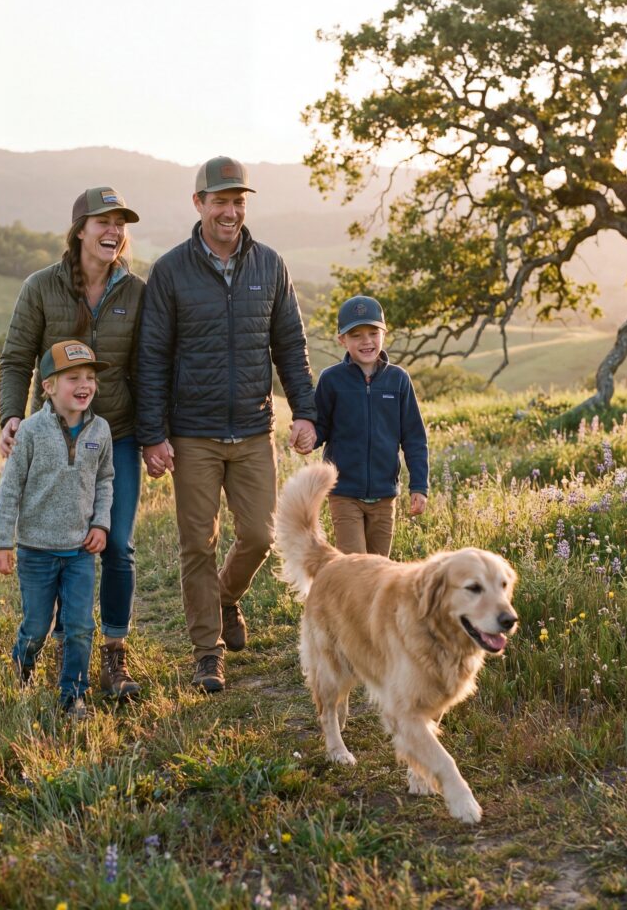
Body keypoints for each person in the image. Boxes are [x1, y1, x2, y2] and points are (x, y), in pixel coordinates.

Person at [137, 156, 317, 694]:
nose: (231, 211)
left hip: (254, 428)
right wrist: (153, 434)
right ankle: (206, 653)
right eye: (221, 201)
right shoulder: (170, 272)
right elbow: (152, 357)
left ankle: (225, 598)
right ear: (199, 205)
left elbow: (290, 346)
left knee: (261, 536)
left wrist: (304, 410)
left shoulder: (270, 266)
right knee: (198, 544)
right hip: (192, 431)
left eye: (239, 201)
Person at [0, 186, 145, 700]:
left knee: (118, 543)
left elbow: (147, 368)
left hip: (118, 436)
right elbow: (16, 358)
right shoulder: (41, 287)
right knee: (61, 540)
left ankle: (115, 655)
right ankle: (64, 643)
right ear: (80, 229)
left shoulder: (135, 291)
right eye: (103, 221)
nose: (113, 231)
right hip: (56, 437)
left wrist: (153, 436)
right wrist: (11, 417)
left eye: (120, 223)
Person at [0, 340, 115, 719]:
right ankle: (21, 665)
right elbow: (10, 488)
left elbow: (106, 480)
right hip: (36, 551)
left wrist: (101, 524)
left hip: (80, 550)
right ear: (47, 386)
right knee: (36, 627)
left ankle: (72, 696)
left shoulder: (101, 430)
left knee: (79, 626)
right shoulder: (30, 432)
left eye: (90, 378)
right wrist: (2, 542)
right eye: (73, 377)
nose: (84, 385)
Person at [313, 295, 428, 556]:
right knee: (355, 566)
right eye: (356, 335)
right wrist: (307, 437)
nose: (366, 341)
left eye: (373, 332)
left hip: (384, 495)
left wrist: (419, 486)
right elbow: (320, 428)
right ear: (342, 340)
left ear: (384, 334)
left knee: (378, 569)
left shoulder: (398, 380)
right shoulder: (331, 380)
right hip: (344, 493)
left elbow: (414, 438)